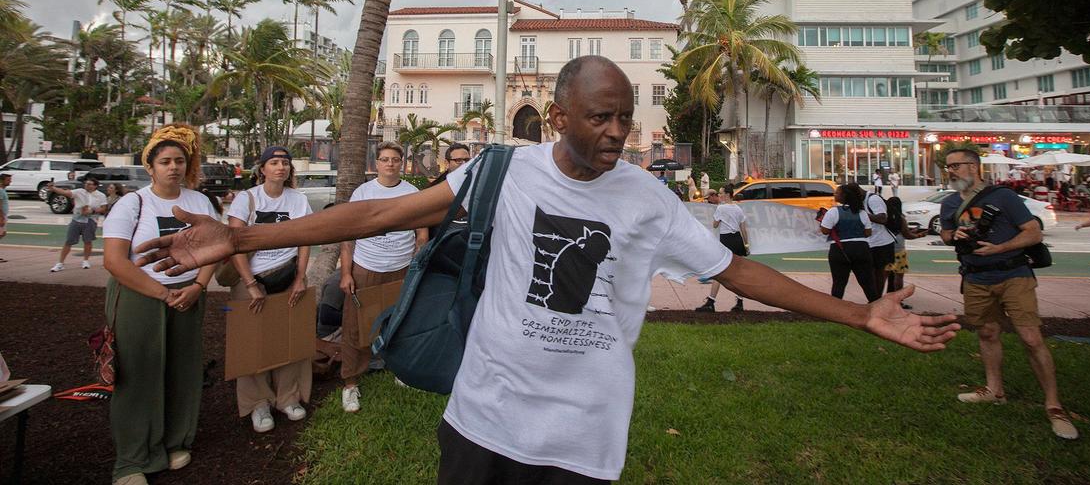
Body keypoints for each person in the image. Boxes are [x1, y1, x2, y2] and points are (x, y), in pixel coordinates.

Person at [136, 56, 960, 484]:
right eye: (600, 117)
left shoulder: (644, 196)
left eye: (625, 119)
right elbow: (378, 213)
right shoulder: (500, 169)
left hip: (582, 433)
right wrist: (242, 241)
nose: (616, 133)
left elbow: (735, 272)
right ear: (556, 116)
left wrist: (858, 313)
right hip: (483, 416)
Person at [101, 124, 218, 484]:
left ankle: (175, 441)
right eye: (164, 161)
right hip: (141, 296)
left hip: (188, 294)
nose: (173, 167)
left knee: (183, 371)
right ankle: (133, 459)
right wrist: (163, 293)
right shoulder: (132, 203)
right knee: (138, 374)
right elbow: (114, 261)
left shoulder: (199, 202)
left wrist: (199, 285)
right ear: (149, 166)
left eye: (179, 161)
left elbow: (215, 248)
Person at [938, 148, 1078, 440]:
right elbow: (946, 233)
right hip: (975, 276)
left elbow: (1032, 233)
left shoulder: (1003, 197)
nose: (951, 171)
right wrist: (955, 236)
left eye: (956, 165)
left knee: (1031, 337)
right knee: (987, 333)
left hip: (1013, 274)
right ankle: (994, 390)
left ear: (974, 166)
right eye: (948, 166)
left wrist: (1000, 248)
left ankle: (1054, 406)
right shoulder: (950, 202)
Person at [226, 146, 313, 433]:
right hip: (251, 279)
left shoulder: (297, 200)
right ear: (262, 169)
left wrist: (300, 277)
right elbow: (235, 243)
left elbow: (304, 240)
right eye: (274, 163)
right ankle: (258, 402)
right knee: (252, 341)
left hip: (287, 276)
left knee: (289, 337)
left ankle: (288, 397)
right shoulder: (246, 199)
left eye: (285, 163)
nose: (281, 168)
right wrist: (250, 284)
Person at [338, 141, 428, 413]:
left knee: (399, 323)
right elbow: (348, 236)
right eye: (384, 159)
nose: (390, 164)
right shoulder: (363, 192)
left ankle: (401, 370)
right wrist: (346, 273)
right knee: (356, 327)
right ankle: (350, 384)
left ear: (402, 163)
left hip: (400, 269)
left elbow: (421, 232)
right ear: (376, 163)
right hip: (366, 267)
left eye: (394, 159)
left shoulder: (412, 192)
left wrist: (417, 257)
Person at [694, 184, 749, 313]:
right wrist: (746, 244)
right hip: (737, 240)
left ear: (727, 194)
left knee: (718, 272)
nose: (719, 195)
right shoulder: (738, 209)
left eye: (721, 192)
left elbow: (715, 225)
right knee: (737, 273)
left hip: (726, 240)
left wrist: (717, 217)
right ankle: (739, 302)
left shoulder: (721, 208)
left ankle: (711, 301)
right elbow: (743, 229)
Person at [821, 183, 879, 303]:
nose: (834, 194)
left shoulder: (833, 212)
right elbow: (868, 232)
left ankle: (835, 312)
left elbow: (825, 231)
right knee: (868, 283)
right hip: (861, 249)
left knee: (839, 283)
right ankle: (877, 307)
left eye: (837, 192)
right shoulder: (861, 213)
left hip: (840, 249)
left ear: (843, 196)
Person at [49, 177, 108, 271]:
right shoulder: (79, 192)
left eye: (89, 184)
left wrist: (92, 210)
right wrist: (54, 188)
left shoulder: (101, 195)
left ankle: (86, 260)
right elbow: (66, 192)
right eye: (86, 183)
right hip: (77, 219)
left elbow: (104, 208)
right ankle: (60, 262)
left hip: (91, 220)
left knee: (88, 241)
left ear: (95, 186)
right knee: (69, 241)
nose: (87, 185)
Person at [864, 187, 895, 298]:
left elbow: (882, 218)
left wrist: (863, 215)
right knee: (871, 274)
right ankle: (875, 299)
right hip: (870, 243)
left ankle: (877, 299)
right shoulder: (857, 203)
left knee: (880, 274)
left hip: (881, 244)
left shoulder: (873, 199)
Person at [0, 173, 10, 259]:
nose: (10, 182)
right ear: (2, 181)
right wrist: (2, 217)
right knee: (1, 234)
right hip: (1, 216)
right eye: (8, 180)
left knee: (2, 234)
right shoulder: (0, 190)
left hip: (4, 215)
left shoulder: (3, 190)